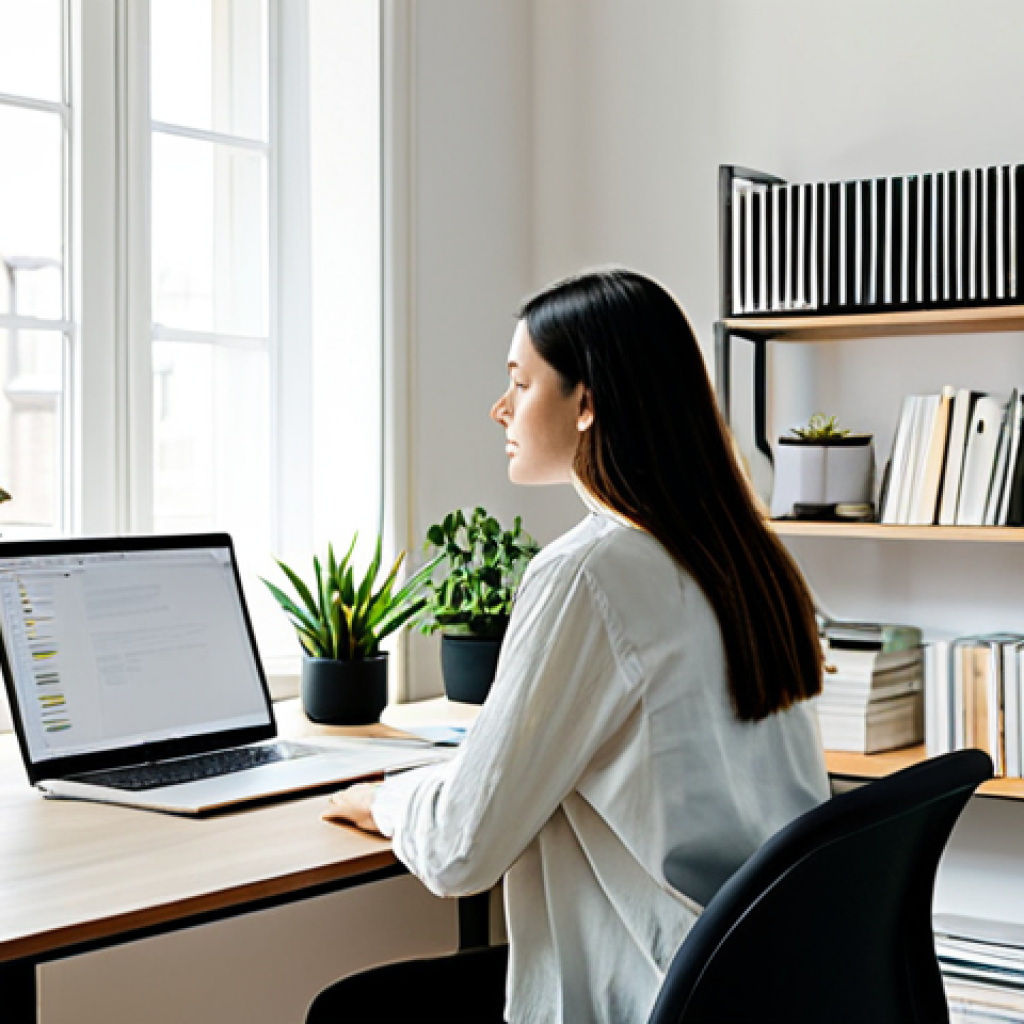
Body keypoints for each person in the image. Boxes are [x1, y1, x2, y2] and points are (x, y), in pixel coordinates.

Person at [311, 269, 829, 1024]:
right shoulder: (745, 557)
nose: (499, 409)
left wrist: (385, 800)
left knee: (351, 1011)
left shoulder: (588, 573)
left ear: (585, 403)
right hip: (758, 981)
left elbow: (461, 849)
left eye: (519, 384)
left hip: (653, 987)